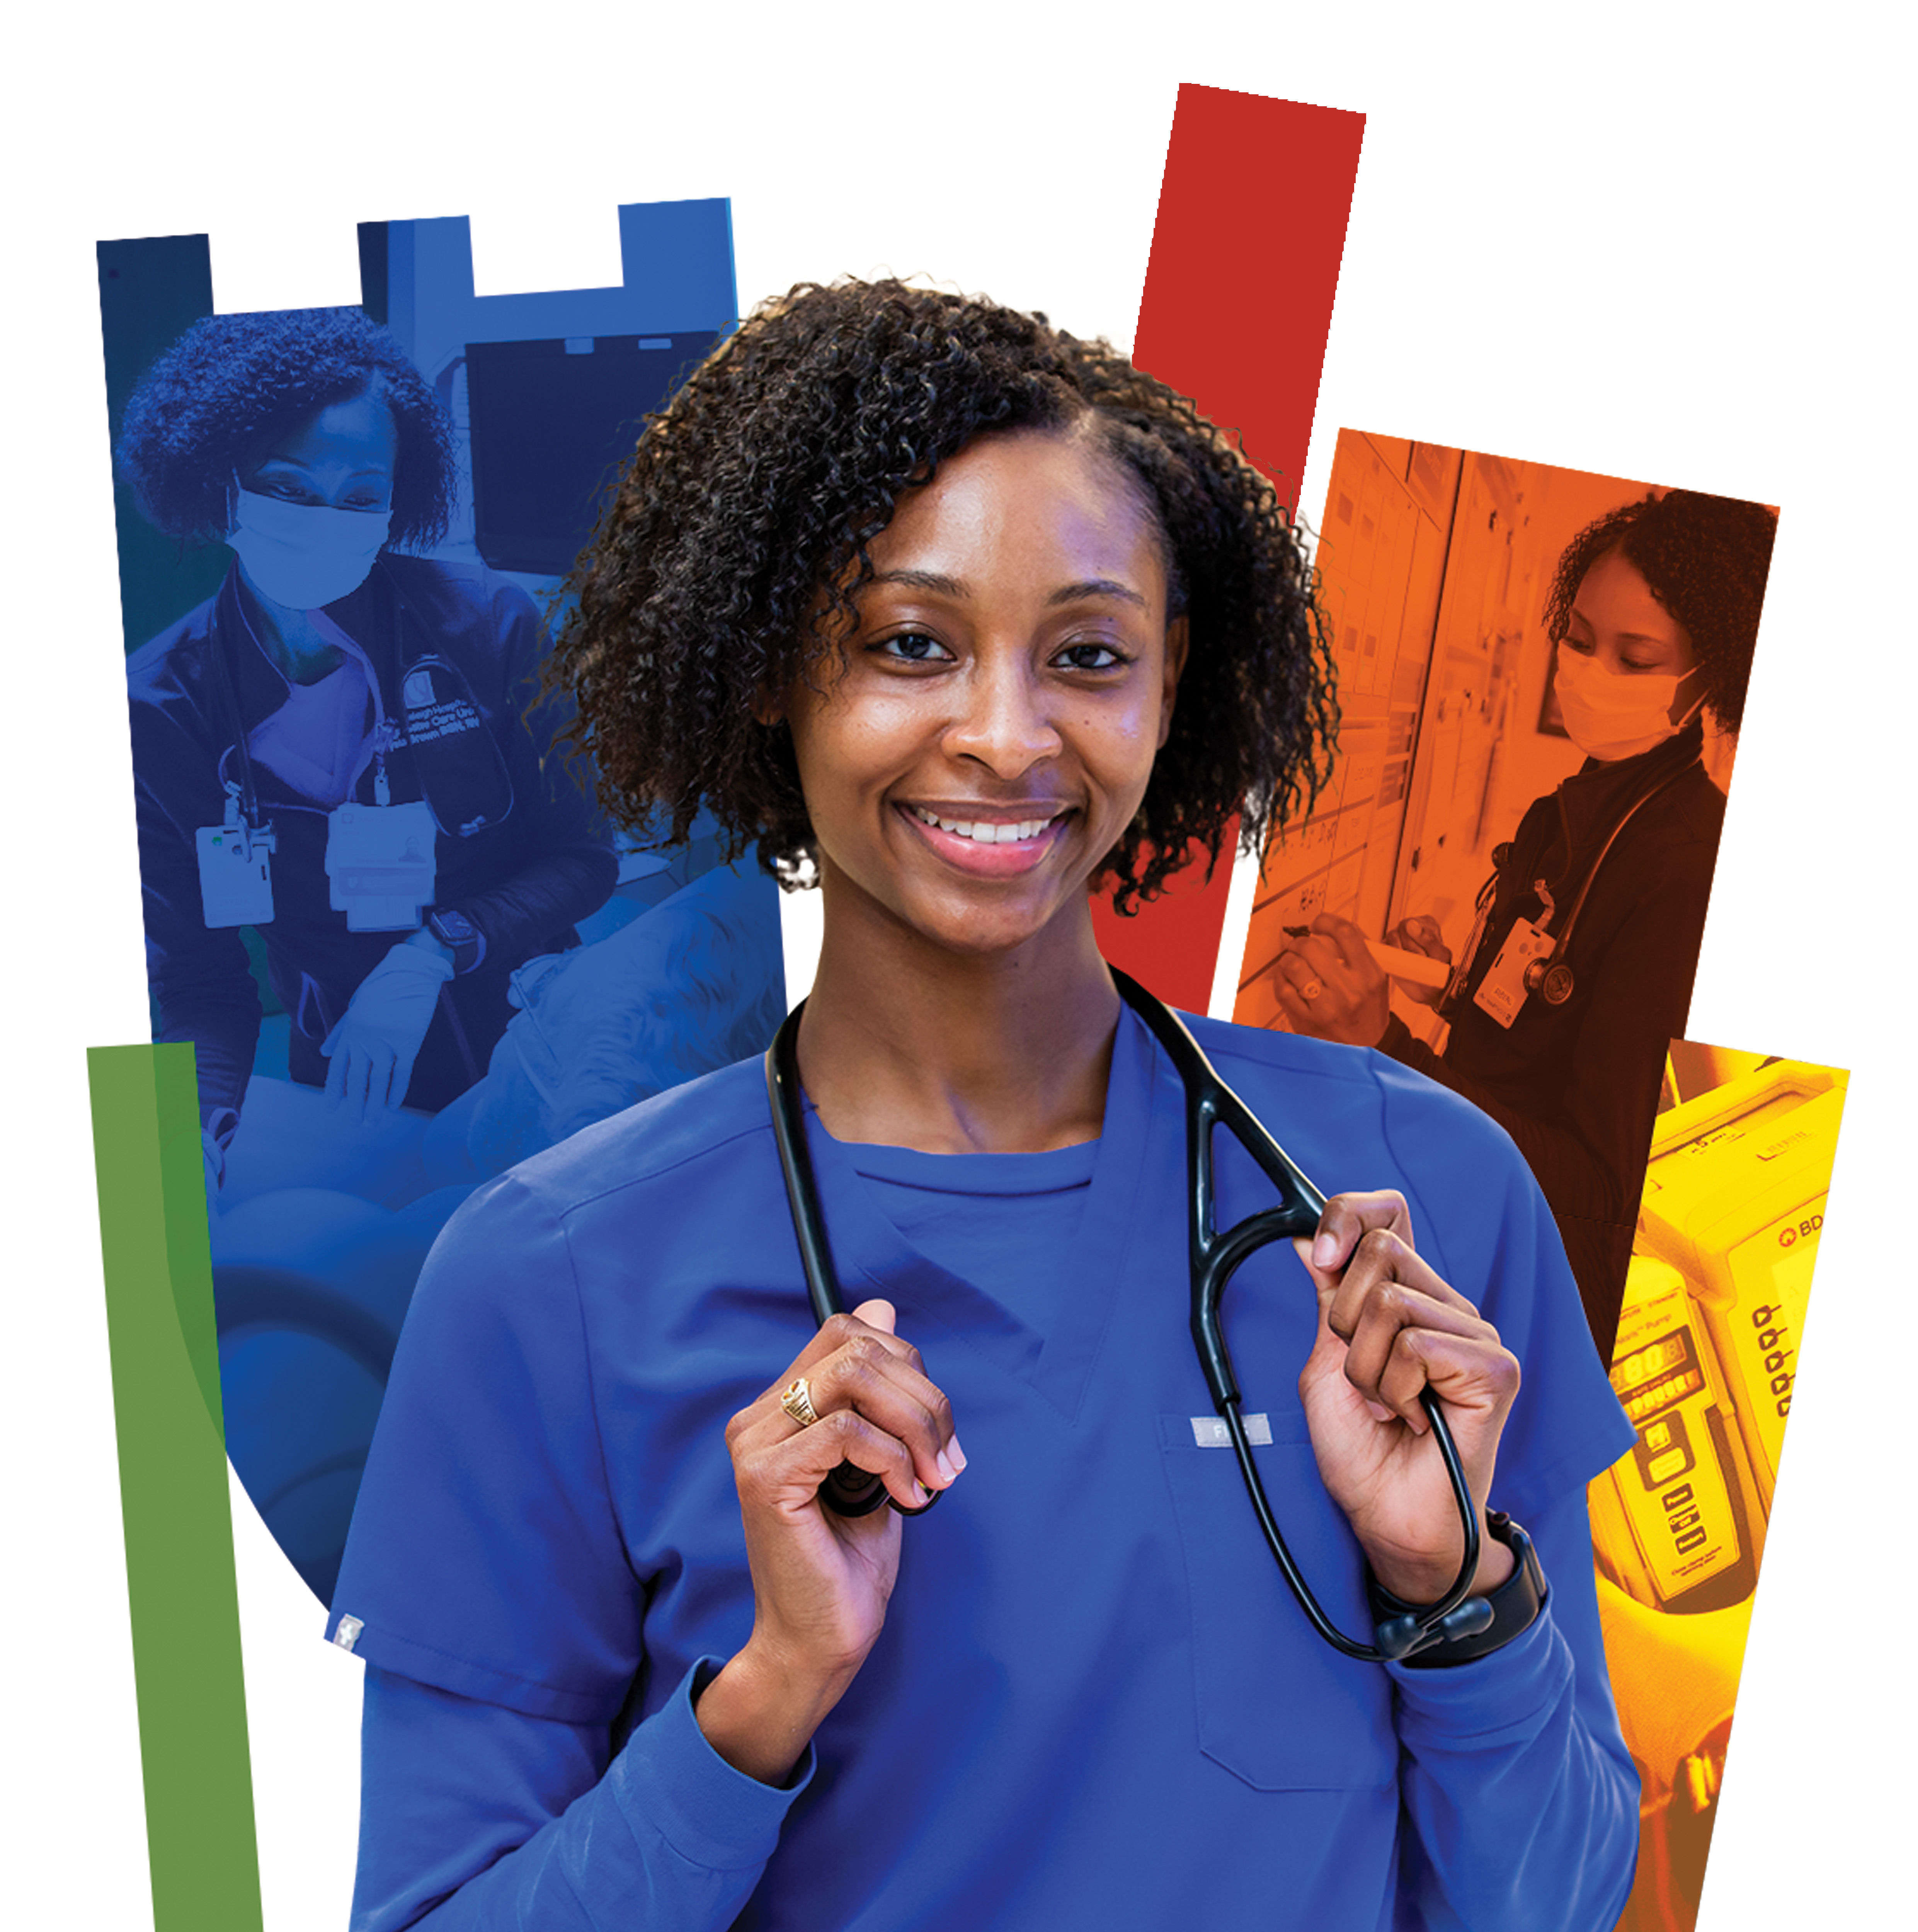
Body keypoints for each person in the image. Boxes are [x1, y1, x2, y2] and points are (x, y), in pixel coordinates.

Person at [329, 280, 1640, 1931]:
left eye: (1087, 655)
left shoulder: (1409, 1191)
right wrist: (767, 1691)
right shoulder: (546, 1280)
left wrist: (1453, 1589)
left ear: (1174, 692)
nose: (1004, 735)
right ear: (763, 674)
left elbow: (1561, 1905)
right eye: (907, 644)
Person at [117, 308, 618, 1184]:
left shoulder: (488, 626)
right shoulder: (161, 703)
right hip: (344, 1085)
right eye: (289, 487)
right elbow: (198, 980)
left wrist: (433, 951)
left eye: (359, 497)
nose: (326, 521)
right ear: (219, 483)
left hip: (535, 1042)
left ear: (396, 501)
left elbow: (585, 860)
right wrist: (198, 1130)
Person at [1269, 490, 1777, 1344]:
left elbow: (1601, 1196)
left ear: (1707, 679)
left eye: (1635, 656)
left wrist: (1382, 1045)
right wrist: (1449, 987)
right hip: (1442, 1200)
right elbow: (1534, 1031)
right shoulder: (1565, 814)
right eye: (1578, 638)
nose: (1587, 671)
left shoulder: (1685, 869)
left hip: (1499, 1291)